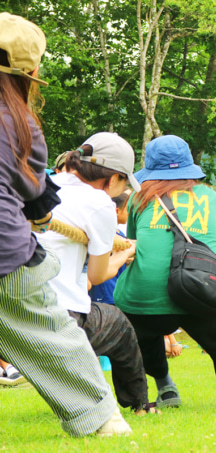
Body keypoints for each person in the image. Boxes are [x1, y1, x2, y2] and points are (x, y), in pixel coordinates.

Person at [0, 12, 130, 436]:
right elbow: (36, 206)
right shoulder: (20, 123)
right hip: (6, 256)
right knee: (55, 330)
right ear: (30, 74)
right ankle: (101, 418)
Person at [114, 134, 216, 407]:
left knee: (142, 330)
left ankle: (165, 387)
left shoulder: (137, 198)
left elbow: (133, 241)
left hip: (141, 295)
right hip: (198, 288)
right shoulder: (211, 197)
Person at [37, 133, 156, 415]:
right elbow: (99, 274)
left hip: (13, 306)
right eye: (125, 180)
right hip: (59, 316)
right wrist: (126, 253)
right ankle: (140, 406)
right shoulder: (100, 203)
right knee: (119, 325)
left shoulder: (42, 184)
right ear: (113, 178)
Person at [89, 189, 132, 305]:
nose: (130, 212)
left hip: (116, 290)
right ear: (117, 211)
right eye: (128, 209)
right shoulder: (104, 236)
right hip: (105, 293)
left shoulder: (119, 234)